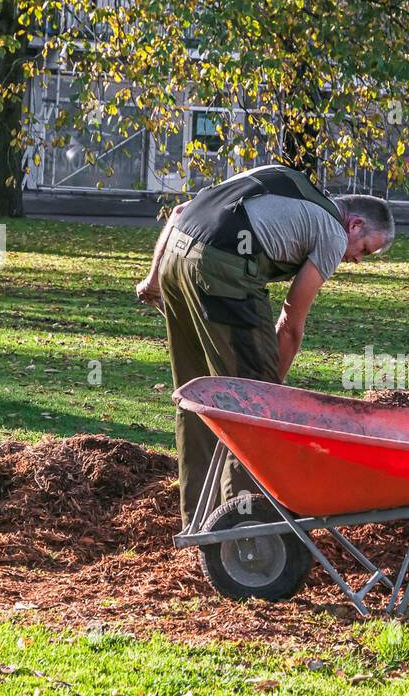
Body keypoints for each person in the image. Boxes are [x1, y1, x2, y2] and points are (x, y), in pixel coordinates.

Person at [135, 163, 394, 526]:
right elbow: (289, 326)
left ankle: (197, 521)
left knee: (194, 395)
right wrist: (269, 389)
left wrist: (154, 280)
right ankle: (243, 531)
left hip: (175, 258)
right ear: (354, 224)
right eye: (365, 249)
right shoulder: (332, 233)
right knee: (249, 407)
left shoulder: (281, 177)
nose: (356, 259)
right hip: (222, 268)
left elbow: (180, 212)